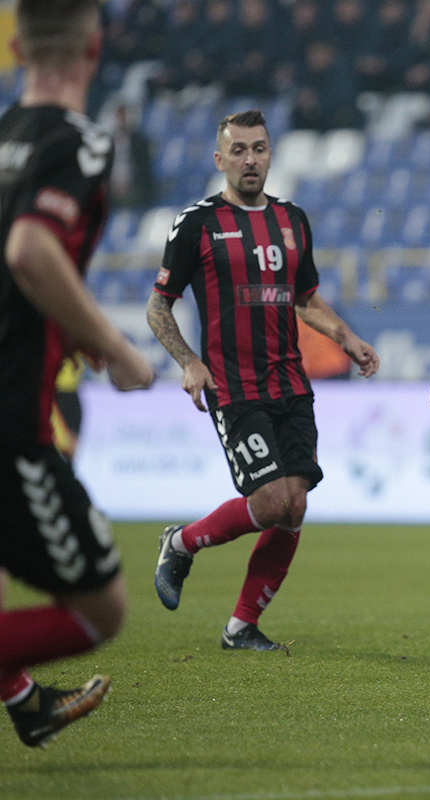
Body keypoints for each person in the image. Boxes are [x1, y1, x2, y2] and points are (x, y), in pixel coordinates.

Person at [147, 109, 379, 652]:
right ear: (220, 159)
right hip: (234, 385)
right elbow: (159, 308)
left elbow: (305, 297)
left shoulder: (292, 219)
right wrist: (189, 362)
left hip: (290, 381)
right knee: (272, 502)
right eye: (239, 150)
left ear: (271, 154)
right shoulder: (197, 223)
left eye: (259, 148)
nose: (250, 159)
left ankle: (241, 627)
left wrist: (346, 337)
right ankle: (181, 543)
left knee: (295, 506)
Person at [0, 0, 156, 747]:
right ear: (94, 48)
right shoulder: (81, 142)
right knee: (101, 610)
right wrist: (116, 346)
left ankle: (24, 701)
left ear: (15, 48)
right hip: (11, 419)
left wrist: (69, 329)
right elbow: (30, 251)